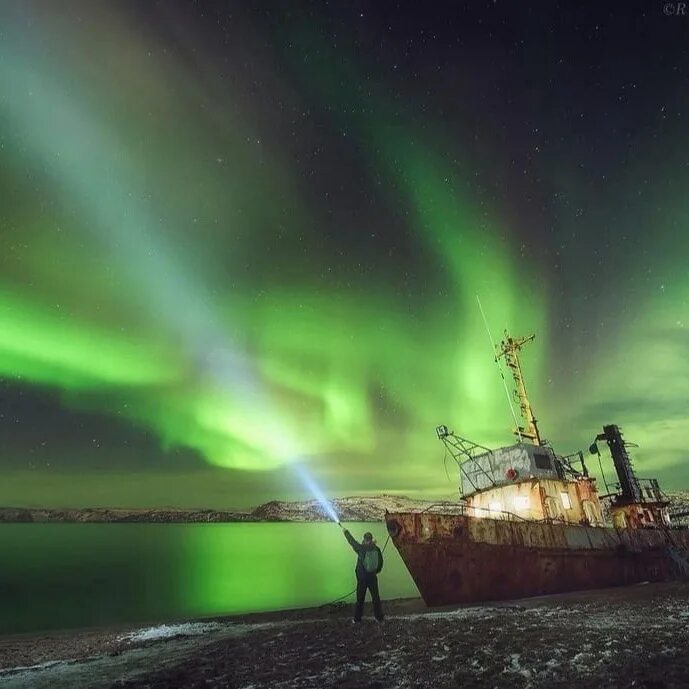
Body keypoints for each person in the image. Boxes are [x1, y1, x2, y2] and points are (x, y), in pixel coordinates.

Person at [341, 525, 384, 623]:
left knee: (360, 599)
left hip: (362, 579)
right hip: (372, 577)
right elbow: (380, 563)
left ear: (364, 539)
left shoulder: (361, 549)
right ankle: (379, 618)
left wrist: (345, 532)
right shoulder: (376, 549)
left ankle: (357, 619)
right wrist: (374, 572)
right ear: (371, 539)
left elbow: (352, 542)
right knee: (376, 598)